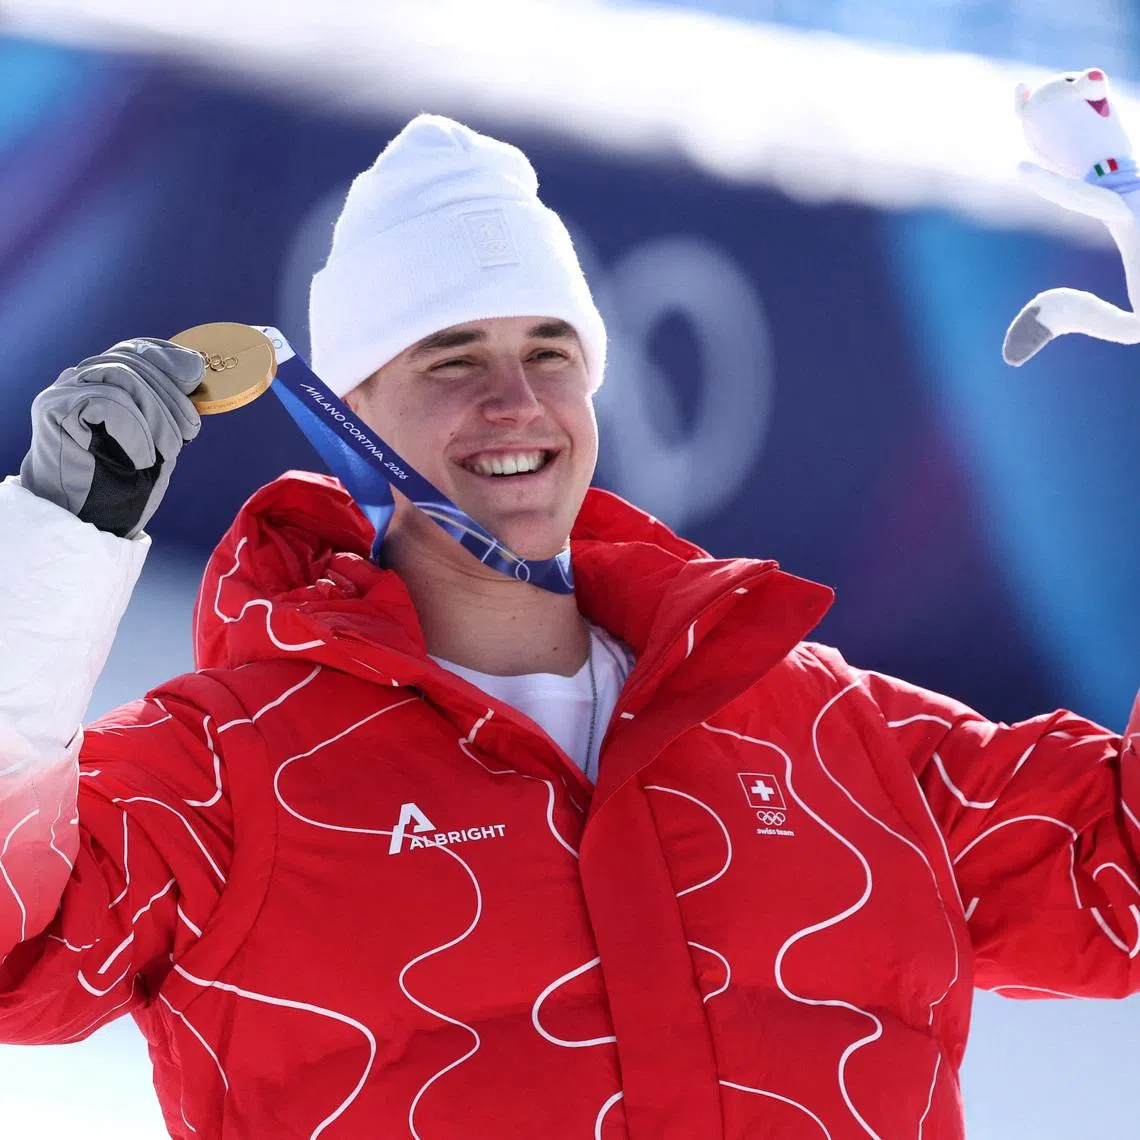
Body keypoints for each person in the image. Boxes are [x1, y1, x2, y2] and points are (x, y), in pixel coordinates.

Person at [0, 114, 1137, 1140]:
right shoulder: (230, 773)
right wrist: (54, 551)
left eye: (552, 352)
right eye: (452, 358)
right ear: (345, 419)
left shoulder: (830, 728)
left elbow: (1119, 880)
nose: (517, 402)